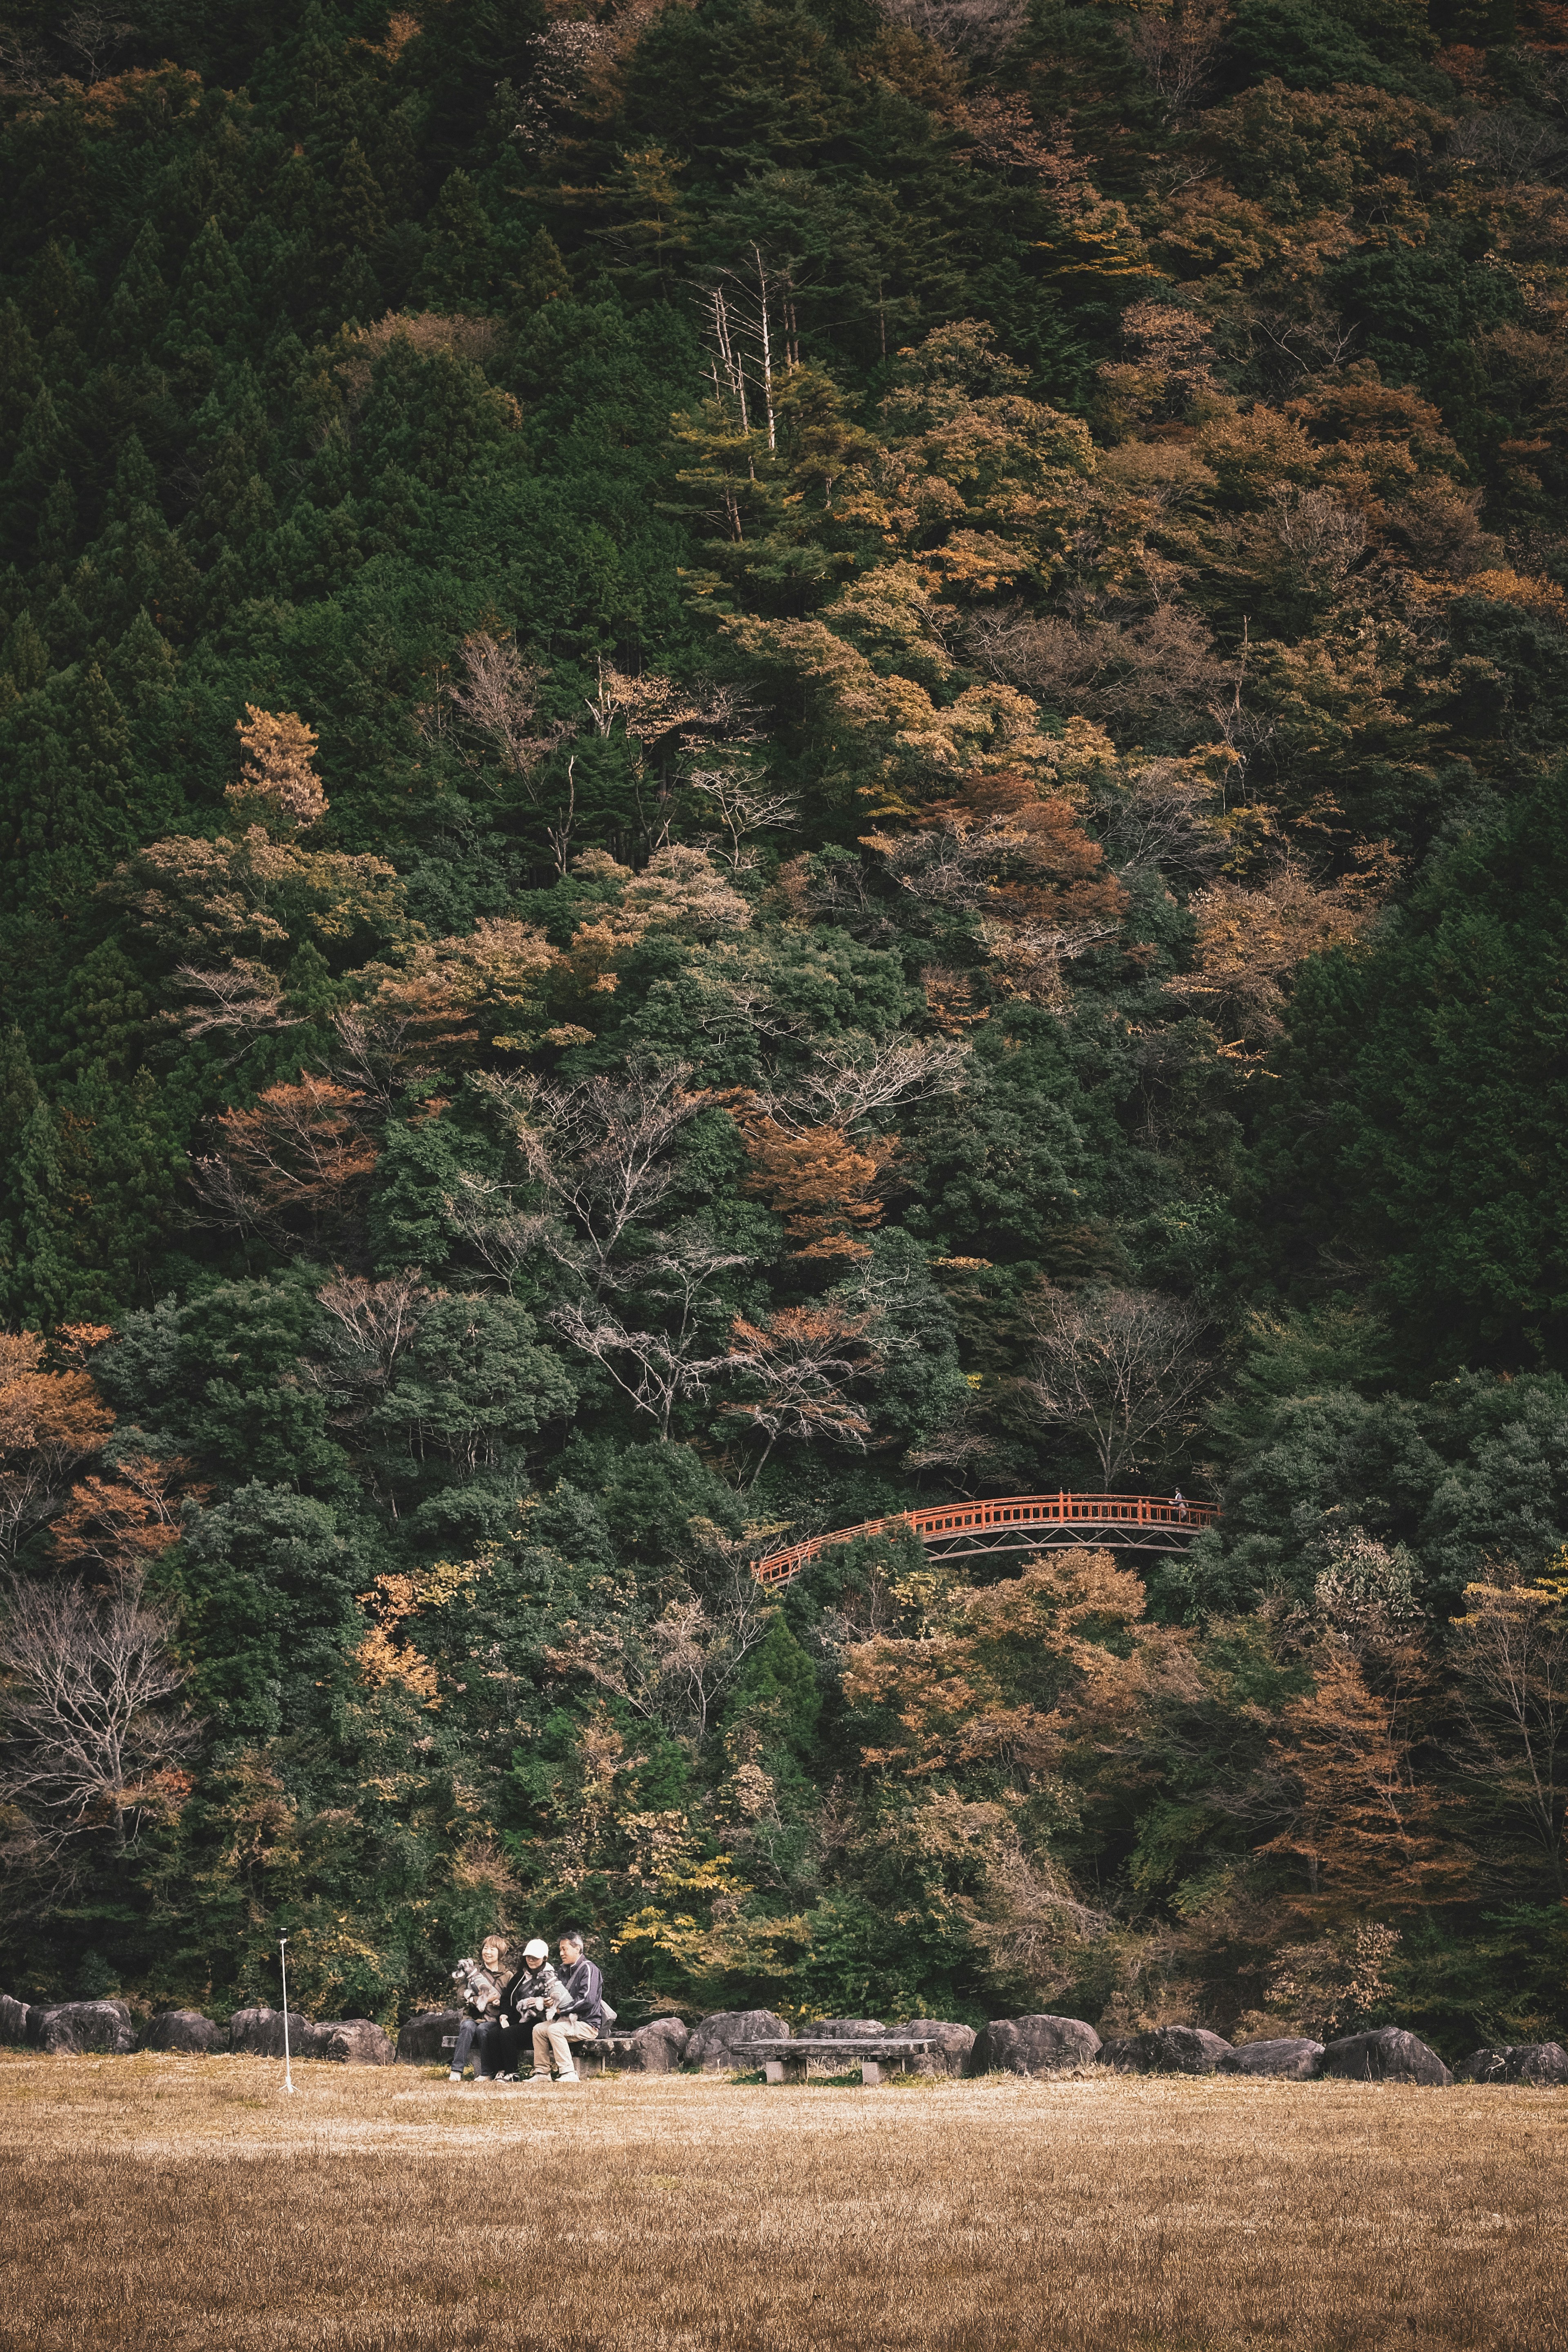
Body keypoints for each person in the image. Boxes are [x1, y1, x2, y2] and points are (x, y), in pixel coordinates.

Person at [527, 1930, 608, 2086]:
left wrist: (561, 2010)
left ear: (577, 1948)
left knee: (554, 2030)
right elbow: (557, 1995)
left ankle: (569, 2073)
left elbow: (587, 2000)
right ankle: (542, 2073)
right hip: (566, 2021)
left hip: (588, 2024)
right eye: (560, 1949)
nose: (562, 1953)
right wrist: (549, 2002)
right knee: (538, 2029)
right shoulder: (562, 1971)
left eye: (565, 1949)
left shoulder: (589, 1969)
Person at [493, 1939, 568, 2080]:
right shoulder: (520, 1976)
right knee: (492, 2032)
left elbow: (558, 2000)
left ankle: (512, 2073)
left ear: (545, 1958)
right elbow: (506, 1997)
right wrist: (504, 2014)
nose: (531, 1960)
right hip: (518, 2019)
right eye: (529, 1957)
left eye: (536, 1957)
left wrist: (540, 2002)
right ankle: (499, 2071)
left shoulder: (551, 1976)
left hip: (539, 2022)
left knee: (507, 2034)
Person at [448, 1935, 508, 2085]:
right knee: (467, 2026)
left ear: (500, 1953)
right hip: (473, 2017)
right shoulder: (473, 1973)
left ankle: (487, 2073)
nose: (487, 1952)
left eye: (492, 1949)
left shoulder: (508, 1976)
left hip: (494, 2020)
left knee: (483, 2029)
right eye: (485, 1948)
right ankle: (456, 2070)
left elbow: (511, 2001)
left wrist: (501, 2002)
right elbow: (460, 1997)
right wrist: (480, 2000)